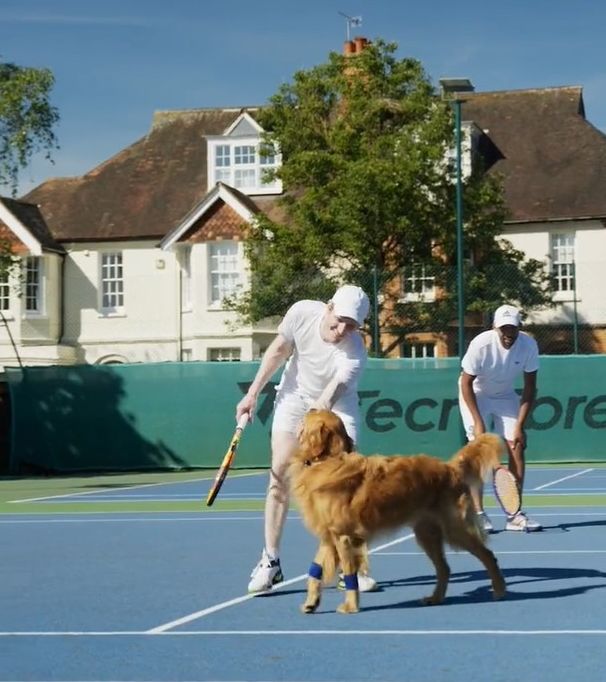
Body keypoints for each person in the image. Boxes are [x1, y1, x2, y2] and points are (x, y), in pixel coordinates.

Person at [236, 284, 378, 593]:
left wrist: (313, 431)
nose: (341, 329)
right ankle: (270, 562)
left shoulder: (354, 353)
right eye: (338, 319)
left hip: (336, 405)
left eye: (351, 325)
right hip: (294, 396)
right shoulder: (301, 312)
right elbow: (277, 352)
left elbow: (328, 398)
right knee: (279, 475)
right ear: (328, 307)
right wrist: (251, 395)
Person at [458, 304, 542, 532]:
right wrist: (477, 421)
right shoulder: (481, 344)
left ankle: (514, 514)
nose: (508, 334)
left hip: (505, 395)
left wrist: (520, 427)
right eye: (503, 329)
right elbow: (466, 382)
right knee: (478, 452)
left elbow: (530, 388)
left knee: (517, 446)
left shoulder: (528, 345)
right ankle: (478, 514)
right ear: (495, 328)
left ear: (519, 328)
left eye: (512, 329)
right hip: (476, 393)